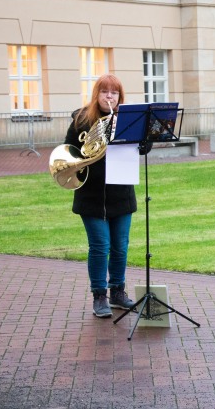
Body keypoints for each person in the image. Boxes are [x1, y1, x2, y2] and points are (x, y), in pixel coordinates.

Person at [64, 74, 140, 318]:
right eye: (105, 92)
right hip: (91, 195)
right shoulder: (81, 120)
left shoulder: (127, 120)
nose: (110, 96)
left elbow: (142, 147)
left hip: (121, 194)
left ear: (120, 97)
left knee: (120, 247)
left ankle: (117, 292)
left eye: (114, 93)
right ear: (96, 94)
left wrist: (144, 138)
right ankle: (99, 296)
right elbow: (68, 153)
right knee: (100, 246)